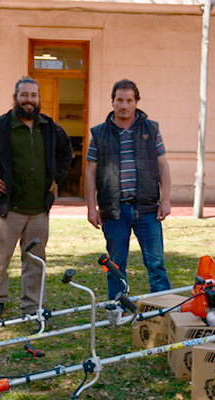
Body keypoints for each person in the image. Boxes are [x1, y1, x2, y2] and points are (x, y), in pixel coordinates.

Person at [0, 77, 72, 323]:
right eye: (24, 95)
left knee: (36, 261)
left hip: (39, 210)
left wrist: (56, 178)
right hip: (8, 210)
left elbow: (66, 152)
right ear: (15, 98)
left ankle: (32, 308)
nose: (29, 100)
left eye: (33, 95)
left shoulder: (50, 128)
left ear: (39, 99)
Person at [85, 78, 172, 302]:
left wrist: (165, 200)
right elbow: (90, 172)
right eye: (119, 100)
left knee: (156, 263)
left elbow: (163, 166)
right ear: (112, 102)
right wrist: (91, 208)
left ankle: (163, 308)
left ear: (136, 102)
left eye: (129, 101)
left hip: (147, 209)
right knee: (115, 264)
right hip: (114, 210)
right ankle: (117, 308)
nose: (124, 105)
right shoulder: (99, 134)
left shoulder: (151, 129)